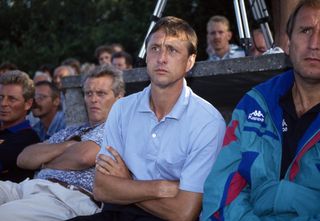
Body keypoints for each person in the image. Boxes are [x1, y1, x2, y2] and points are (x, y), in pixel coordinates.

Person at [68, 16, 226, 221]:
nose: (161, 58)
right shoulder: (122, 109)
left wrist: (127, 180)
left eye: (172, 50)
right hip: (115, 214)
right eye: (155, 49)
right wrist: (160, 187)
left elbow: (184, 213)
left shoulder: (208, 122)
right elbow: (101, 188)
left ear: (190, 61)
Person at [201, 0, 320, 220]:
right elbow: (220, 193)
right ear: (288, 41)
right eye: (305, 30)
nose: (314, 43)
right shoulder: (255, 103)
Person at [0, 65, 125, 221]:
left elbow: (83, 157)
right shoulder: (71, 131)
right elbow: (24, 158)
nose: (93, 99)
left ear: (119, 98)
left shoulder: (117, 129)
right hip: (28, 187)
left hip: (66, 197)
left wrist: (43, 162)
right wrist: (68, 145)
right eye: (88, 93)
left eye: (101, 94)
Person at [0, 70, 40, 182]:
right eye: (1, 97)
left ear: (28, 104)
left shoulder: (27, 138)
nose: (3, 103)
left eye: (12, 99)